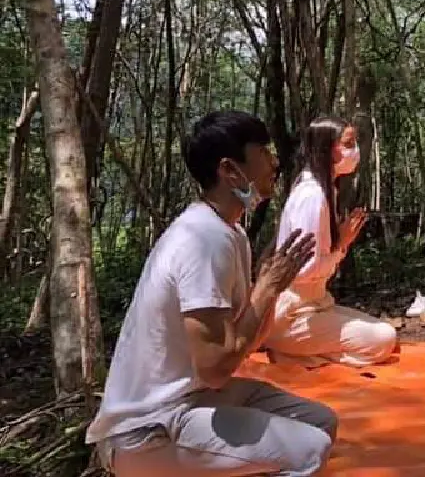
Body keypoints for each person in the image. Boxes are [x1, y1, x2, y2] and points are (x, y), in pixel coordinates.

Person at [86, 111, 338, 476]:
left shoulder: (231, 235)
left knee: (320, 421)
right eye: (263, 152)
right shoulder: (203, 239)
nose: (274, 161)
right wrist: (266, 287)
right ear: (230, 170)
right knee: (310, 449)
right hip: (149, 428)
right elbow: (218, 367)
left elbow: (247, 340)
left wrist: (273, 287)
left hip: (194, 398)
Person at [262, 116, 397, 368]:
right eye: (348, 143)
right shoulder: (312, 196)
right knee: (384, 339)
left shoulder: (323, 190)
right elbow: (303, 270)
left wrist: (339, 245)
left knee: (383, 331)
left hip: (316, 304)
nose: (354, 150)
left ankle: (301, 352)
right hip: (291, 314)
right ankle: (291, 351)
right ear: (326, 149)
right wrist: (341, 245)